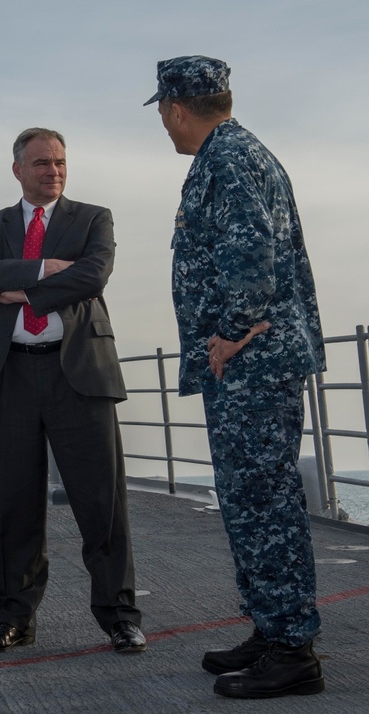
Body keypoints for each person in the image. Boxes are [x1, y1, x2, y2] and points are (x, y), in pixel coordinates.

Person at [146, 55, 326, 698]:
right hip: (248, 362)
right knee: (250, 501)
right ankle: (271, 629)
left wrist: (230, 332)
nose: (165, 127)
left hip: (251, 361)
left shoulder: (226, 160)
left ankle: (292, 649)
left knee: (263, 502)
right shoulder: (236, 152)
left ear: (176, 108)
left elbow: (250, 251)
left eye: (164, 115)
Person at [0, 127, 145, 654]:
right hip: (12, 375)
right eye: (42, 163)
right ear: (17, 169)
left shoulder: (93, 218)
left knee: (101, 503)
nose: (54, 171)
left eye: (61, 162)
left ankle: (119, 616)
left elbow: (93, 275)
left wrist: (21, 290)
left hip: (79, 374)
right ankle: (14, 618)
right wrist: (44, 269)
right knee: (14, 504)